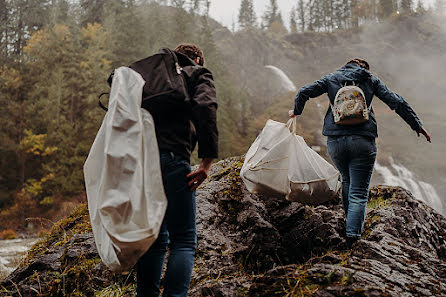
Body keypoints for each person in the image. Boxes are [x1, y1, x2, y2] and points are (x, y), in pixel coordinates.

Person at [291, 58, 431, 247]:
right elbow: (397, 102)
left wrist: (296, 112)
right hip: (362, 140)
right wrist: (417, 126)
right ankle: (353, 236)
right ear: (364, 68)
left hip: (335, 141)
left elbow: (304, 92)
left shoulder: (331, 78)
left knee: (347, 180)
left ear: (347, 65)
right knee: (358, 191)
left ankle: (350, 226)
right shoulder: (370, 79)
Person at [136, 44, 218, 297]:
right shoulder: (196, 73)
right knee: (183, 239)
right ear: (198, 58)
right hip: (174, 159)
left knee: (154, 239)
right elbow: (206, 109)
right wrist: (206, 162)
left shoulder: (151, 75)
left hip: (142, 163)